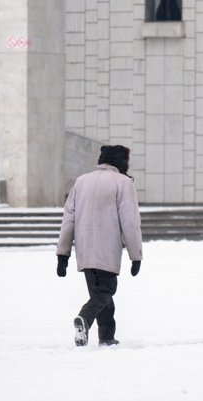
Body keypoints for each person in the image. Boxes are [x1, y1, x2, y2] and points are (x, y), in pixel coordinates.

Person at [55, 145, 143, 347]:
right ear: (121, 161)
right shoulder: (123, 183)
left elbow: (68, 220)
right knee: (106, 290)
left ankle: (106, 336)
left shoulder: (81, 181)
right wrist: (135, 255)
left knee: (99, 294)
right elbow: (130, 222)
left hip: (84, 248)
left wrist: (63, 254)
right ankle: (84, 319)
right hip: (107, 248)